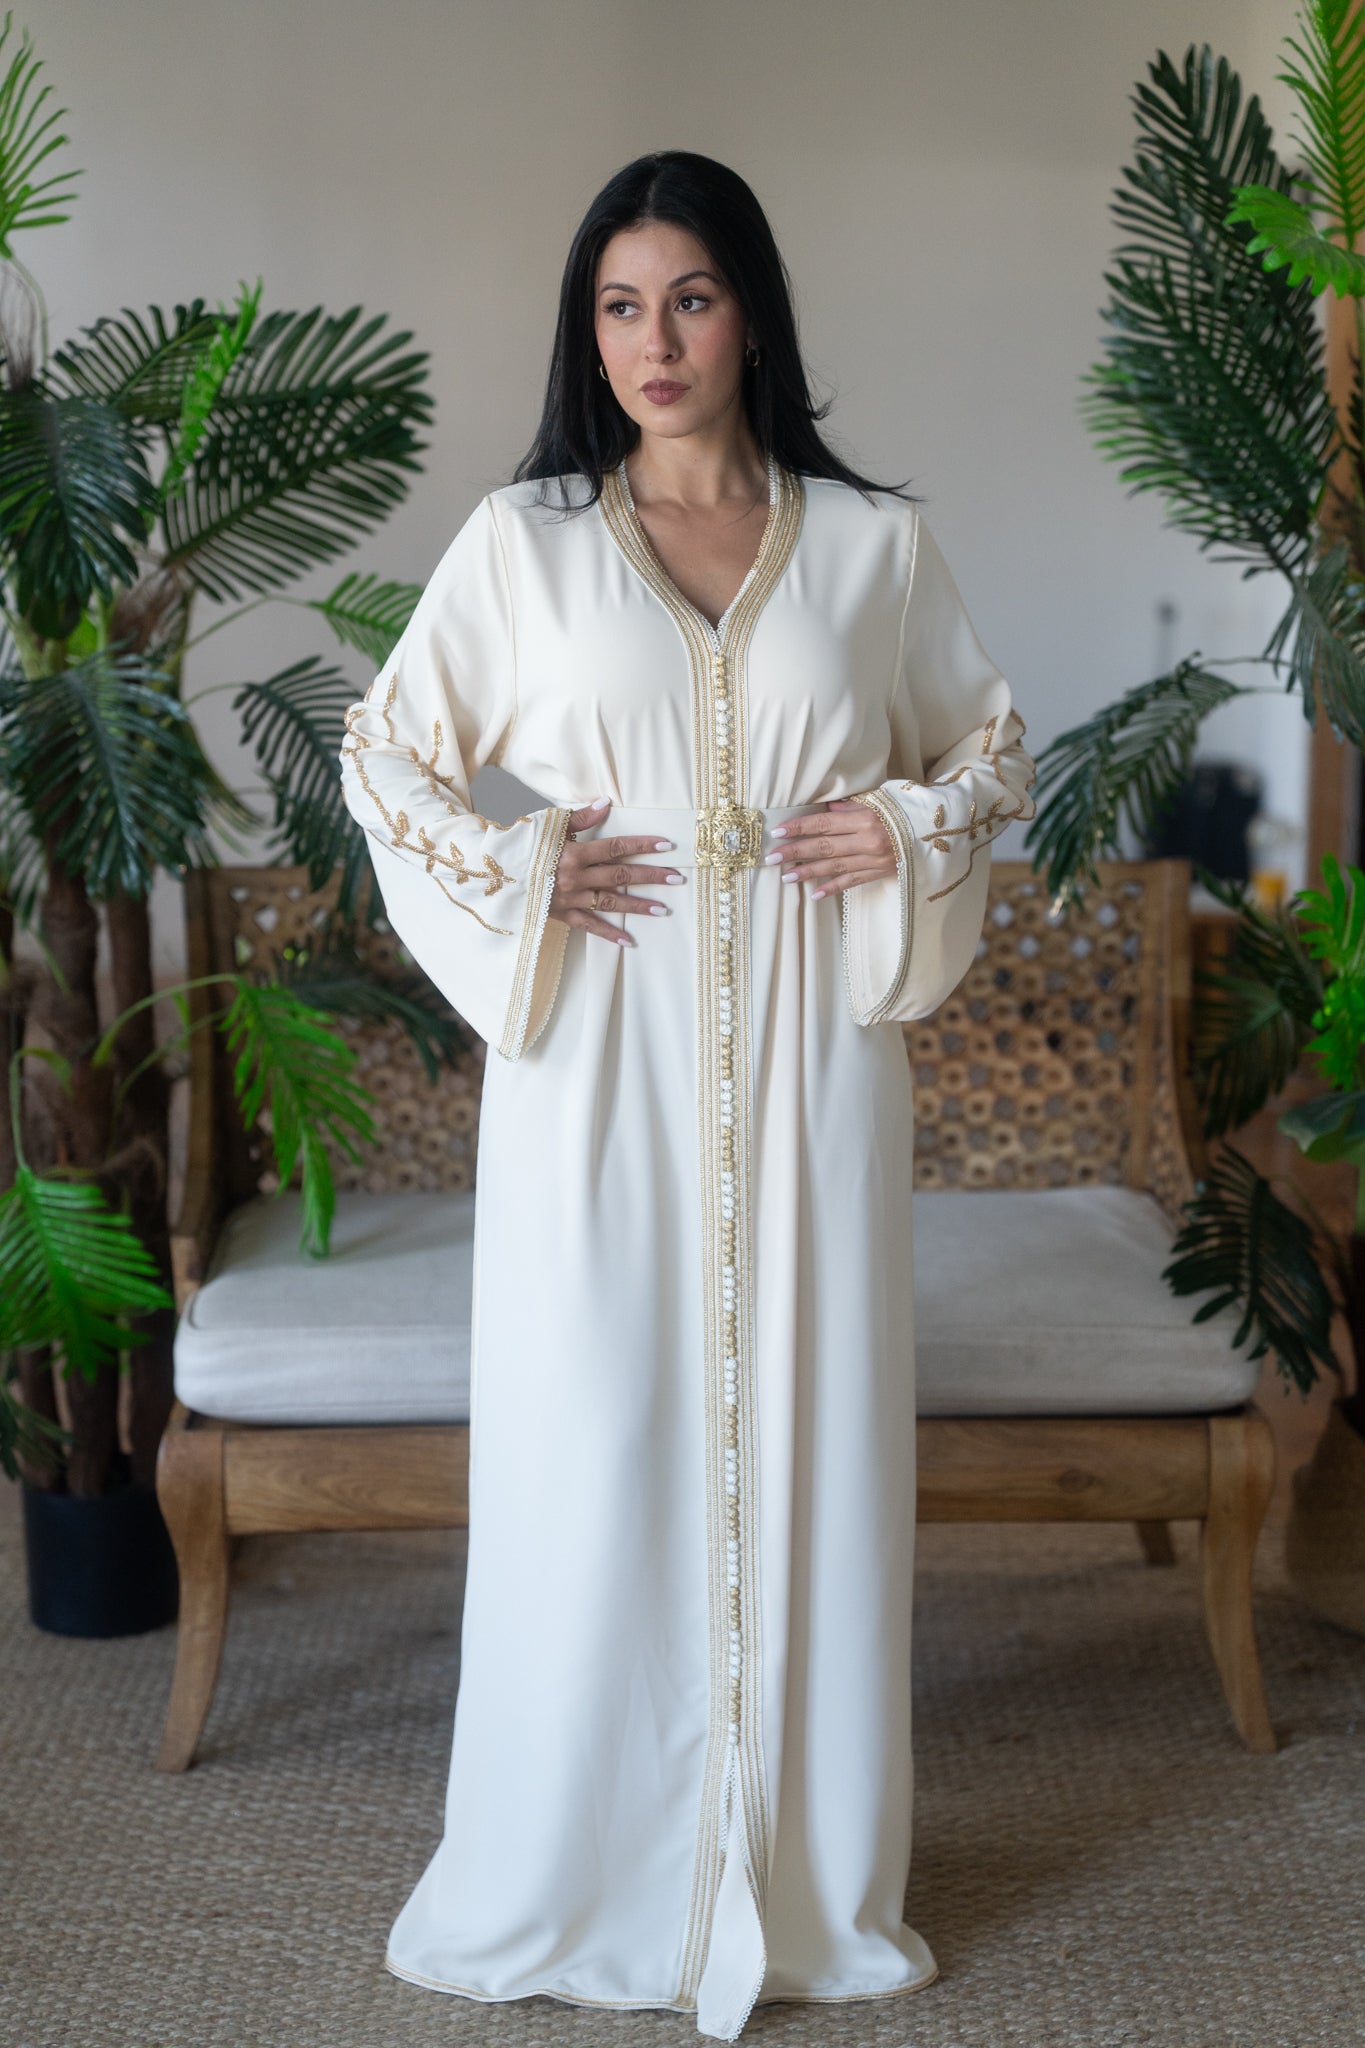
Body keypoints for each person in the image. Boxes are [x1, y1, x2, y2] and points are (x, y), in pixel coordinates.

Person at [338, 148, 1036, 2043]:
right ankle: (582, 1878)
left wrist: (900, 826)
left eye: (693, 298)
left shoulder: (871, 549)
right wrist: (517, 869)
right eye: (621, 306)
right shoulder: (526, 543)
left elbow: (989, 748)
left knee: (809, 1443)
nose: (656, 340)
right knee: (595, 1446)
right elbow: (386, 753)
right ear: (590, 332)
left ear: (751, 317)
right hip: (596, 1068)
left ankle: (795, 1890)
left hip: (815, 1070)